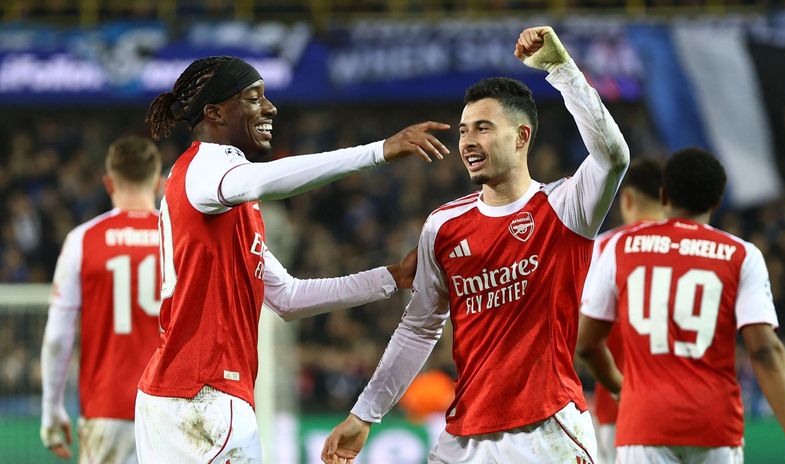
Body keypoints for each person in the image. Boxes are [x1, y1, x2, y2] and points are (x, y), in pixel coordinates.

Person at [322, 26, 629, 464]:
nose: (467, 141)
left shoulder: (565, 207)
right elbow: (419, 327)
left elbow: (613, 157)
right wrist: (365, 414)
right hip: (464, 437)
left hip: (547, 431)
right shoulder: (443, 226)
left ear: (522, 137)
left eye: (483, 128)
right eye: (464, 130)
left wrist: (562, 70)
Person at [134, 56, 450, 463]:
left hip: (173, 397)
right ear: (214, 113)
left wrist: (391, 277)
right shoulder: (209, 167)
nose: (270, 108)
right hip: (205, 394)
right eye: (253, 98)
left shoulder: (220, 197)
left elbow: (288, 297)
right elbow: (269, 180)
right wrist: (379, 151)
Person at [577, 148, 785, 464]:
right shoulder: (741, 255)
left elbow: (588, 344)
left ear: (664, 195)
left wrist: (622, 388)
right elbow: (764, 350)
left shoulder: (621, 246)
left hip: (644, 424)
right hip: (714, 425)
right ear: (717, 201)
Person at [40, 136, 164, 463]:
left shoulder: (83, 240)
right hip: (172, 409)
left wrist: (52, 409)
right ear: (158, 182)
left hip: (107, 408)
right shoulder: (180, 240)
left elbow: (56, 336)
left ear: (108, 182)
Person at [580, 158, 664, 464]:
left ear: (626, 199)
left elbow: (583, 336)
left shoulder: (605, 247)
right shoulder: (698, 246)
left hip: (621, 409)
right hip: (691, 408)